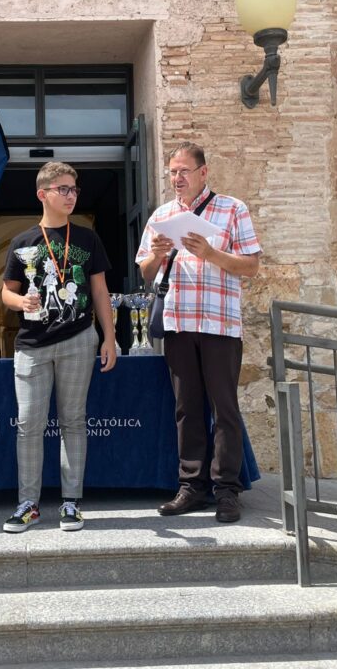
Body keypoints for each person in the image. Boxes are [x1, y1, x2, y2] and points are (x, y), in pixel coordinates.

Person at [135, 142, 261, 523]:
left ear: (203, 172)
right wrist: (157, 255)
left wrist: (210, 254)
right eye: (172, 171)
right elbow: (145, 273)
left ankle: (227, 491)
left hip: (220, 324)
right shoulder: (162, 215)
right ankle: (191, 486)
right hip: (179, 323)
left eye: (184, 171)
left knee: (225, 409)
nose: (177, 178)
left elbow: (251, 266)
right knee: (186, 408)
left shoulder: (233, 209)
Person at [0, 162, 118, 532]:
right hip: (31, 345)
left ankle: (71, 503)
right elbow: (6, 293)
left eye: (74, 190)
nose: (71, 196)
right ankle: (28, 504)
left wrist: (110, 337)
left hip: (78, 338)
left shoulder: (87, 239)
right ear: (43, 194)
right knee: (28, 424)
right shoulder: (22, 243)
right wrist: (21, 303)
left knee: (73, 420)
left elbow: (99, 290)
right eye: (63, 189)